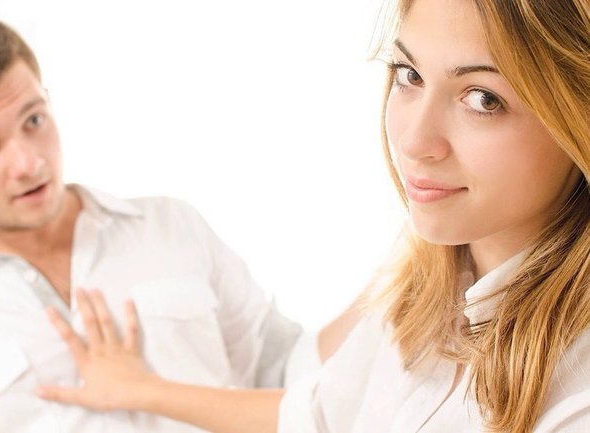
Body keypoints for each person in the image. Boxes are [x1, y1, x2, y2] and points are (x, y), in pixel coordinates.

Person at [35, 0, 590, 432]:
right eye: (409, 75)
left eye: (483, 99)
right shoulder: (427, 278)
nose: (415, 142)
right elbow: (316, 415)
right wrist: (139, 389)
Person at [0, 13, 362, 433]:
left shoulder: (170, 227)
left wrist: (390, 287)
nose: (29, 162)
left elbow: (289, 374)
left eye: (33, 120)